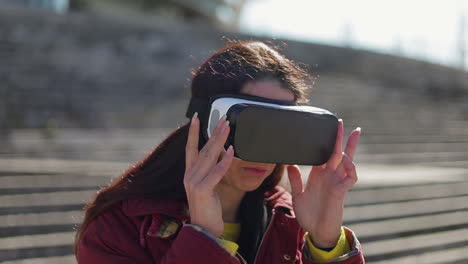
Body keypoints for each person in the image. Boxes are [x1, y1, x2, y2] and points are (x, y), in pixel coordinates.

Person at [75, 40, 365, 263]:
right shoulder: (121, 229)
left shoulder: (288, 220)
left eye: (279, 131)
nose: (264, 155)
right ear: (206, 124)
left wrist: (327, 245)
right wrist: (204, 238)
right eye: (251, 128)